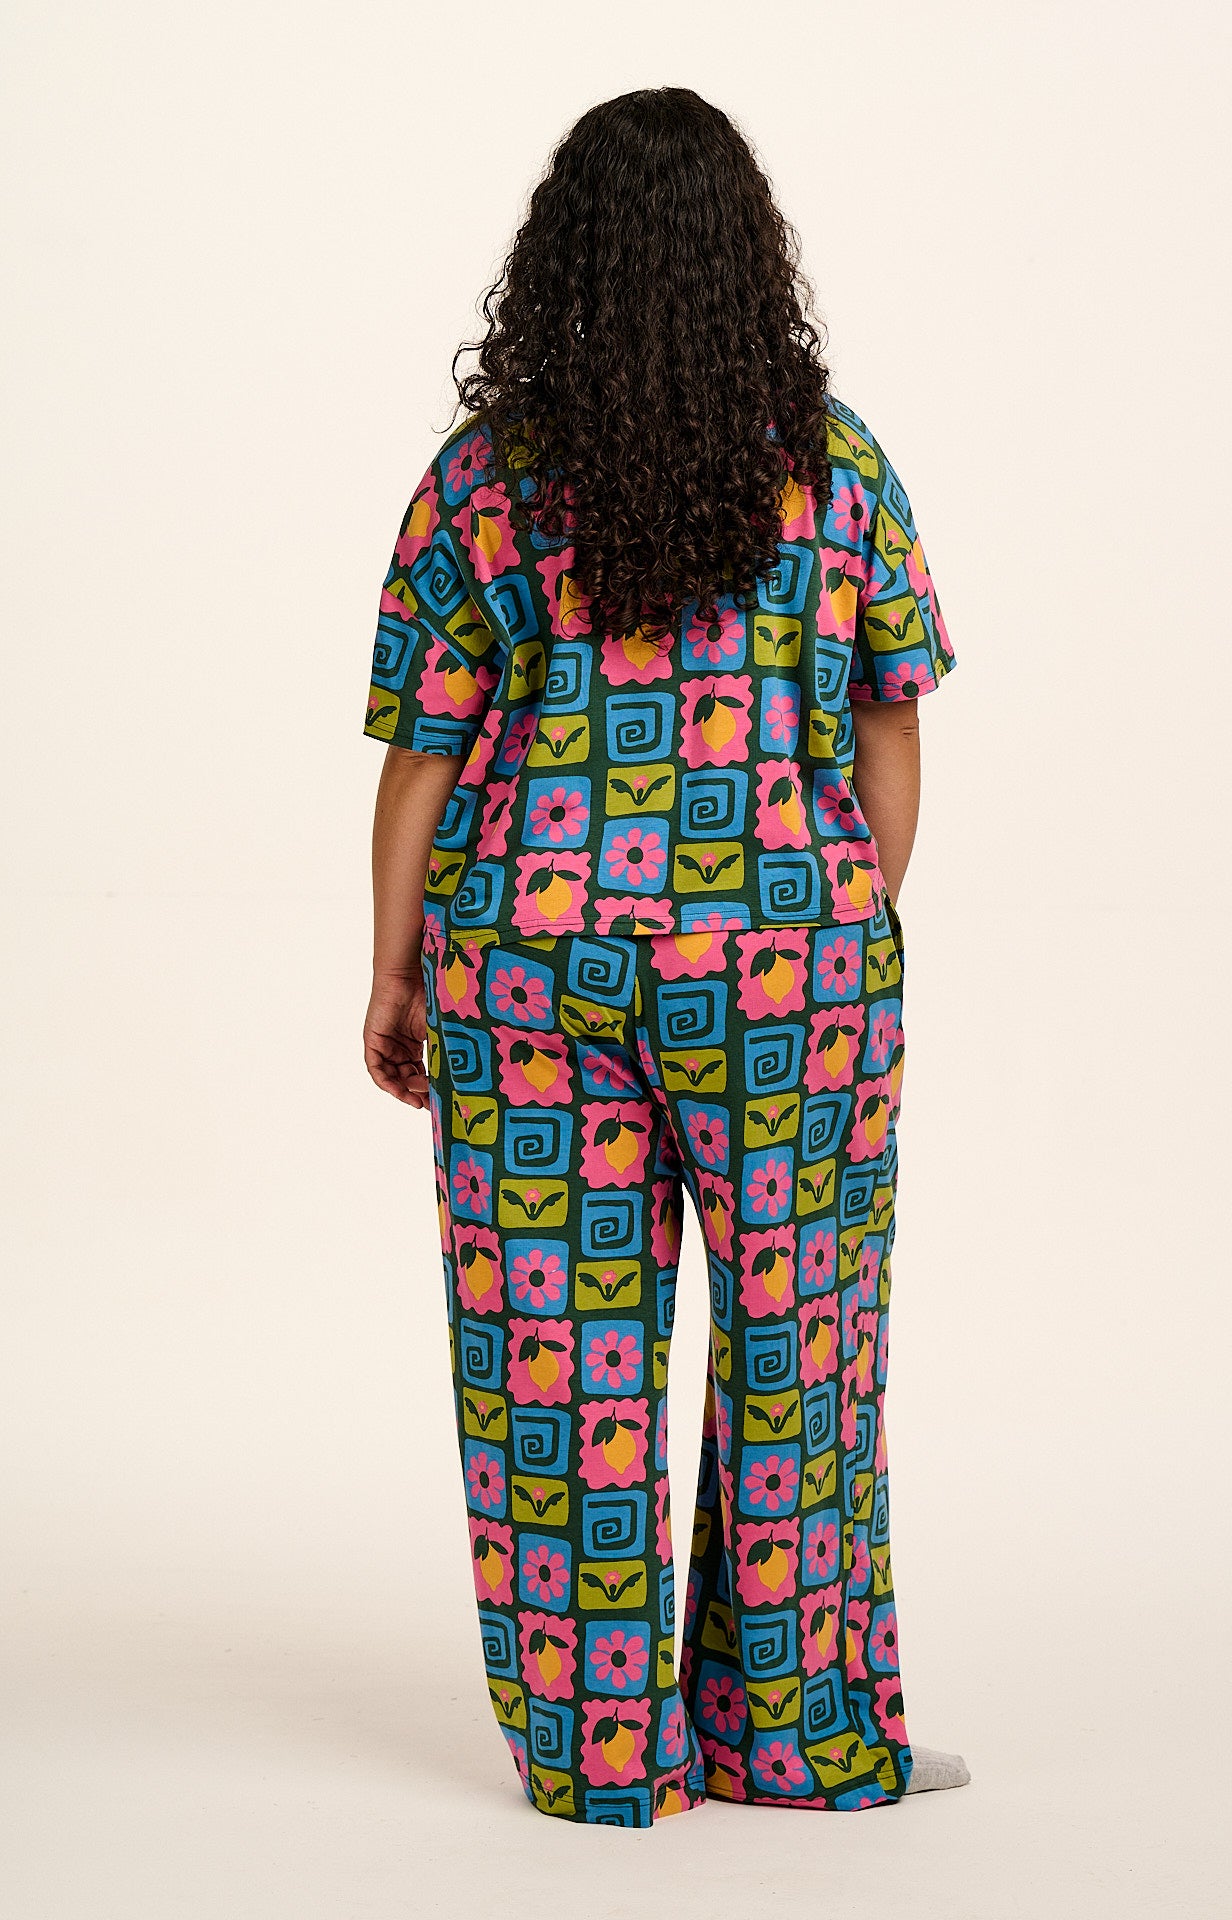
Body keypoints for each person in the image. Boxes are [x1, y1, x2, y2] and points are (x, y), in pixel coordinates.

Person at [362, 87, 969, 1828]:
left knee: (555, 1352)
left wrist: (394, 970)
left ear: (559, 261)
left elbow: (423, 745)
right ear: (744, 258)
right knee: (799, 1344)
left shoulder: (485, 478)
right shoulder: (835, 468)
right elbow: (892, 730)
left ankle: (604, 1752)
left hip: (531, 965)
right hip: (790, 967)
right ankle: (797, 1734)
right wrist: (837, 922)